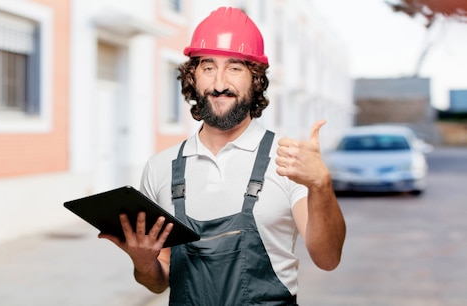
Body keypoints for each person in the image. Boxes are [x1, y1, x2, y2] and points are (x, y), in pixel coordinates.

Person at [99, 6, 346, 305]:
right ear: (193, 78)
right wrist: (143, 263)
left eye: (234, 67)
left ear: (255, 79)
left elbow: (328, 258)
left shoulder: (288, 161)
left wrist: (321, 185)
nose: (219, 84)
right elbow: (157, 282)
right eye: (207, 67)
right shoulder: (159, 168)